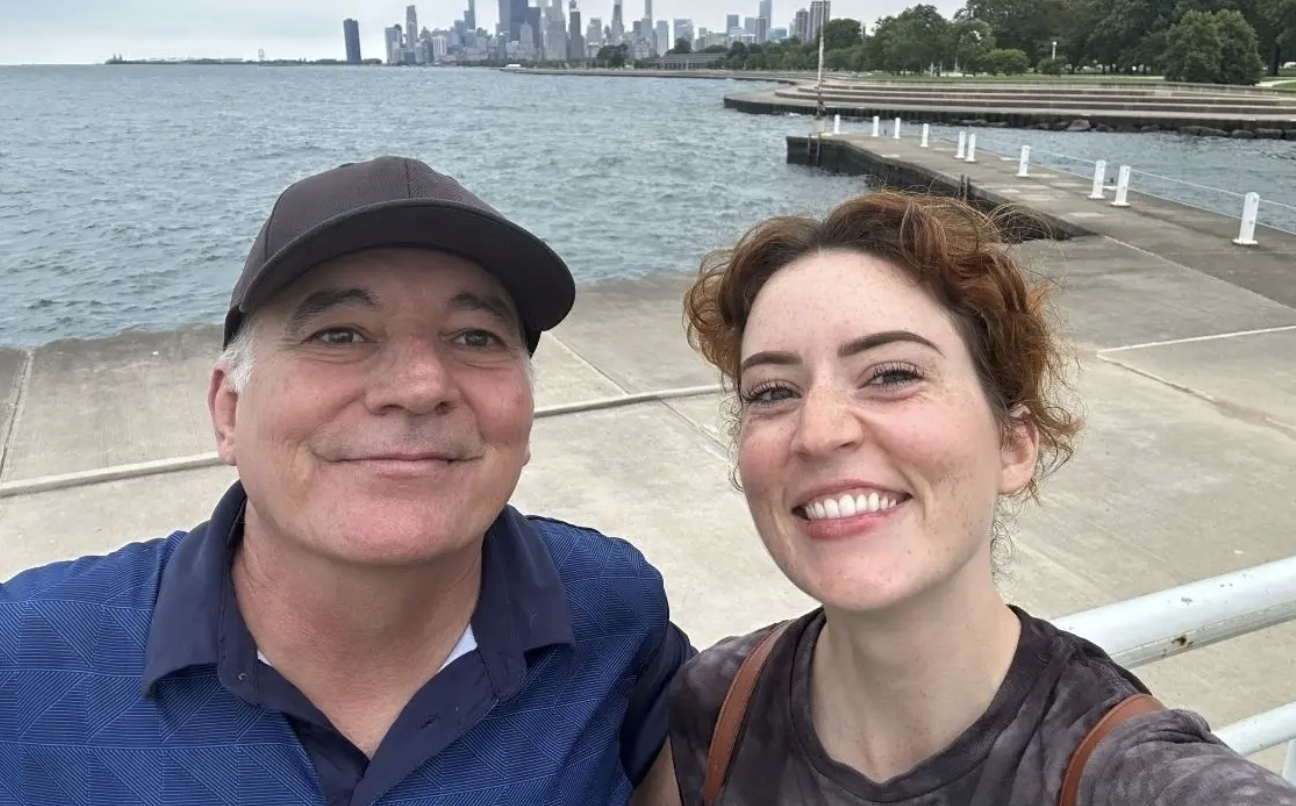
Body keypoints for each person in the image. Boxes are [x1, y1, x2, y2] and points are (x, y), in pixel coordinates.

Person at [0, 156, 689, 805]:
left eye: (476, 337)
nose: (420, 387)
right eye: (340, 334)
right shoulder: (27, 658)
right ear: (229, 411)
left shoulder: (616, 616)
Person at [664, 190, 1296, 805]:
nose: (819, 432)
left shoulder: (1131, 775)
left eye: (892, 375)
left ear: (1013, 445)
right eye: (772, 391)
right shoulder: (715, 708)